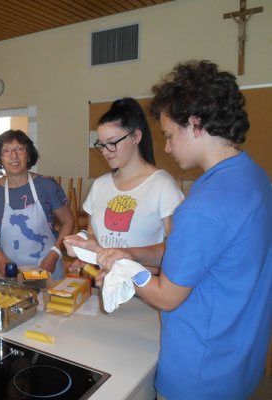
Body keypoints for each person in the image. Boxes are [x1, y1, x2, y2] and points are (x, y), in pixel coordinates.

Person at [65, 60, 272, 400]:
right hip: (239, 358)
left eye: (169, 135)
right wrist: (130, 254)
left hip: (200, 372)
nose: (167, 148)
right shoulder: (254, 179)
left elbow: (167, 296)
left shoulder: (204, 204)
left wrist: (120, 268)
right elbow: (192, 253)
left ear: (194, 124)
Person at [79, 98, 183, 274]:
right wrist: (84, 254)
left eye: (111, 143)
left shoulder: (162, 185)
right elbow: (92, 236)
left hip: (145, 292)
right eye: (102, 144)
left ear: (136, 137)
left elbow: (177, 249)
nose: (105, 151)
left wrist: (128, 257)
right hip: (105, 285)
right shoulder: (99, 185)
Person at [0, 130, 74, 279]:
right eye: (6, 151)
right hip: (9, 270)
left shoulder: (47, 186)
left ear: (29, 154)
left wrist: (55, 253)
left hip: (47, 266)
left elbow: (68, 221)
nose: (14, 156)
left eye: (19, 149)